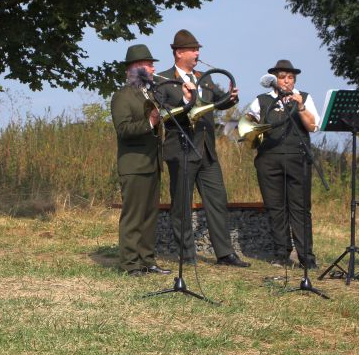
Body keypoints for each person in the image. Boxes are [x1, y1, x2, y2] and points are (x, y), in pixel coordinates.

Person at [155, 30, 249, 267]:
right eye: (193, 49)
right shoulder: (163, 79)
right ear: (179, 53)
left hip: (207, 150)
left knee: (217, 200)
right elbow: (163, 112)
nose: (197, 53)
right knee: (182, 204)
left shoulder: (204, 78)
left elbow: (220, 101)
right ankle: (187, 255)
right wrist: (186, 101)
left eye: (198, 50)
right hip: (181, 149)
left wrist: (231, 97)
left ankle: (224, 254)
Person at [247, 60, 321, 269]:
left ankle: (306, 256)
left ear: (294, 80)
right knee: (275, 208)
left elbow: (313, 126)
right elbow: (248, 123)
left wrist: (301, 107)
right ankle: (281, 253)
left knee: (300, 208)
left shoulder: (304, 97)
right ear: (275, 80)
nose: (286, 81)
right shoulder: (262, 100)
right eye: (282, 77)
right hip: (268, 159)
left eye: (290, 77)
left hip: (297, 159)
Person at [110, 44, 171, 277]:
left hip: (152, 163)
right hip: (134, 165)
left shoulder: (150, 93)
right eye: (149, 64)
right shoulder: (122, 96)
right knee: (134, 217)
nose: (153, 68)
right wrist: (150, 123)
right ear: (136, 68)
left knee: (149, 217)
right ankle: (130, 264)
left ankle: (147, 261)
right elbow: (123, 129)